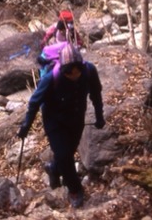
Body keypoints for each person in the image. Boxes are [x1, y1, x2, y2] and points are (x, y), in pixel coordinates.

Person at [17, 44, 105, 209]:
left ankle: (53, 169)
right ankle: (75, 190)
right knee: (64, 155)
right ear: (64, 71)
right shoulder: (51, 78)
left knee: (67, 153)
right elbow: (34, 102)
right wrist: (26, 125)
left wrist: (99, 115)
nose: (74, 76)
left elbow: (96, 94)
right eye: (70, 73)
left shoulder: (89, 71)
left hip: (76, 118)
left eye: (77, 72)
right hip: (54, 122)